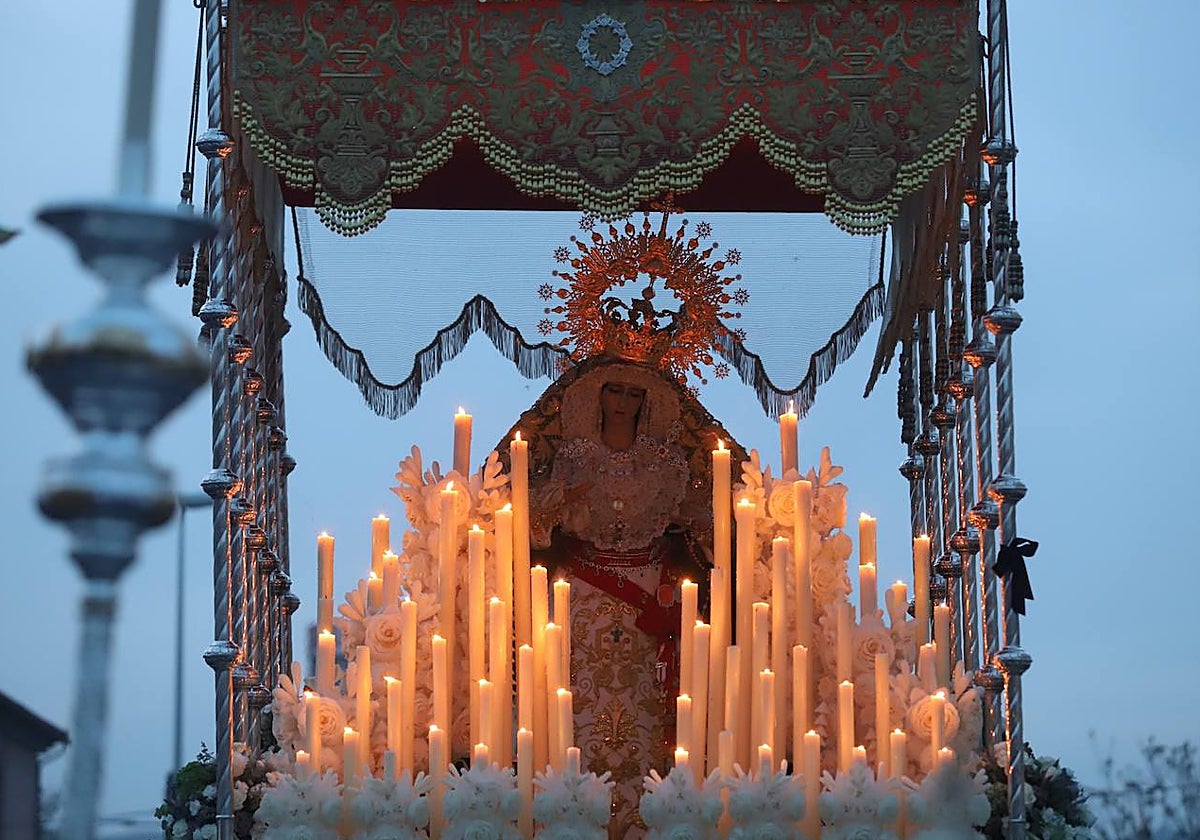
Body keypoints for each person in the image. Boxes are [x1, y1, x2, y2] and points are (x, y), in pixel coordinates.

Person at [530, 360, 709, 839]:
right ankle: (579, 809)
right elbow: (540, 520)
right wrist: (562, 500)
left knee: (648, 701)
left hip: (648, 592)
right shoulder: (574, 457)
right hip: (583, 596)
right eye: (616, 392)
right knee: (576, 697)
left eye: (634, 394)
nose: (624, 403)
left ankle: (646, 815)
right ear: (599, 396)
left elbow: (694, 518)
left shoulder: (664, 463)